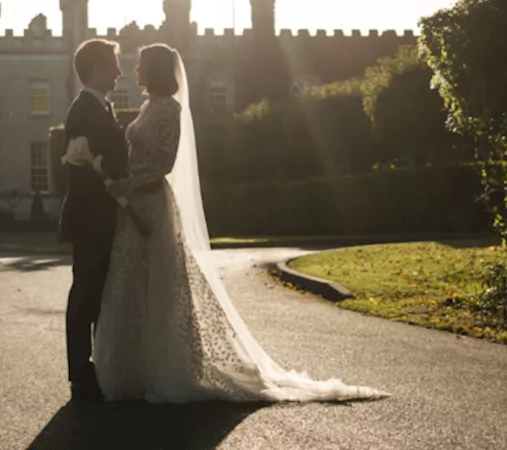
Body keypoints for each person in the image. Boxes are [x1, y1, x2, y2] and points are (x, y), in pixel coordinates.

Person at [93, 43, 389, 403]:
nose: (134, 70)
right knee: (133, 285)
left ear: (154, 69)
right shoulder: (149, 106)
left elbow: (165, 164)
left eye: (140, 64)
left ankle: (167, 370)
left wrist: (129, 184)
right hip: (134, 206)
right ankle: (135, 370)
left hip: (152, 203)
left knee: (159, 284)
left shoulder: (169, 109)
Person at [57, 38, 127, 402]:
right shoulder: (83, 110)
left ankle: (98, 365)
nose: (119, 71)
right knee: (85, 293)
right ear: (97, 67)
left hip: (102, 216)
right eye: (114, 64)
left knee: (98, 293)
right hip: (90, 217)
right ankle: (81, 373)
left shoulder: (99, 108)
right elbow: (106, 165)